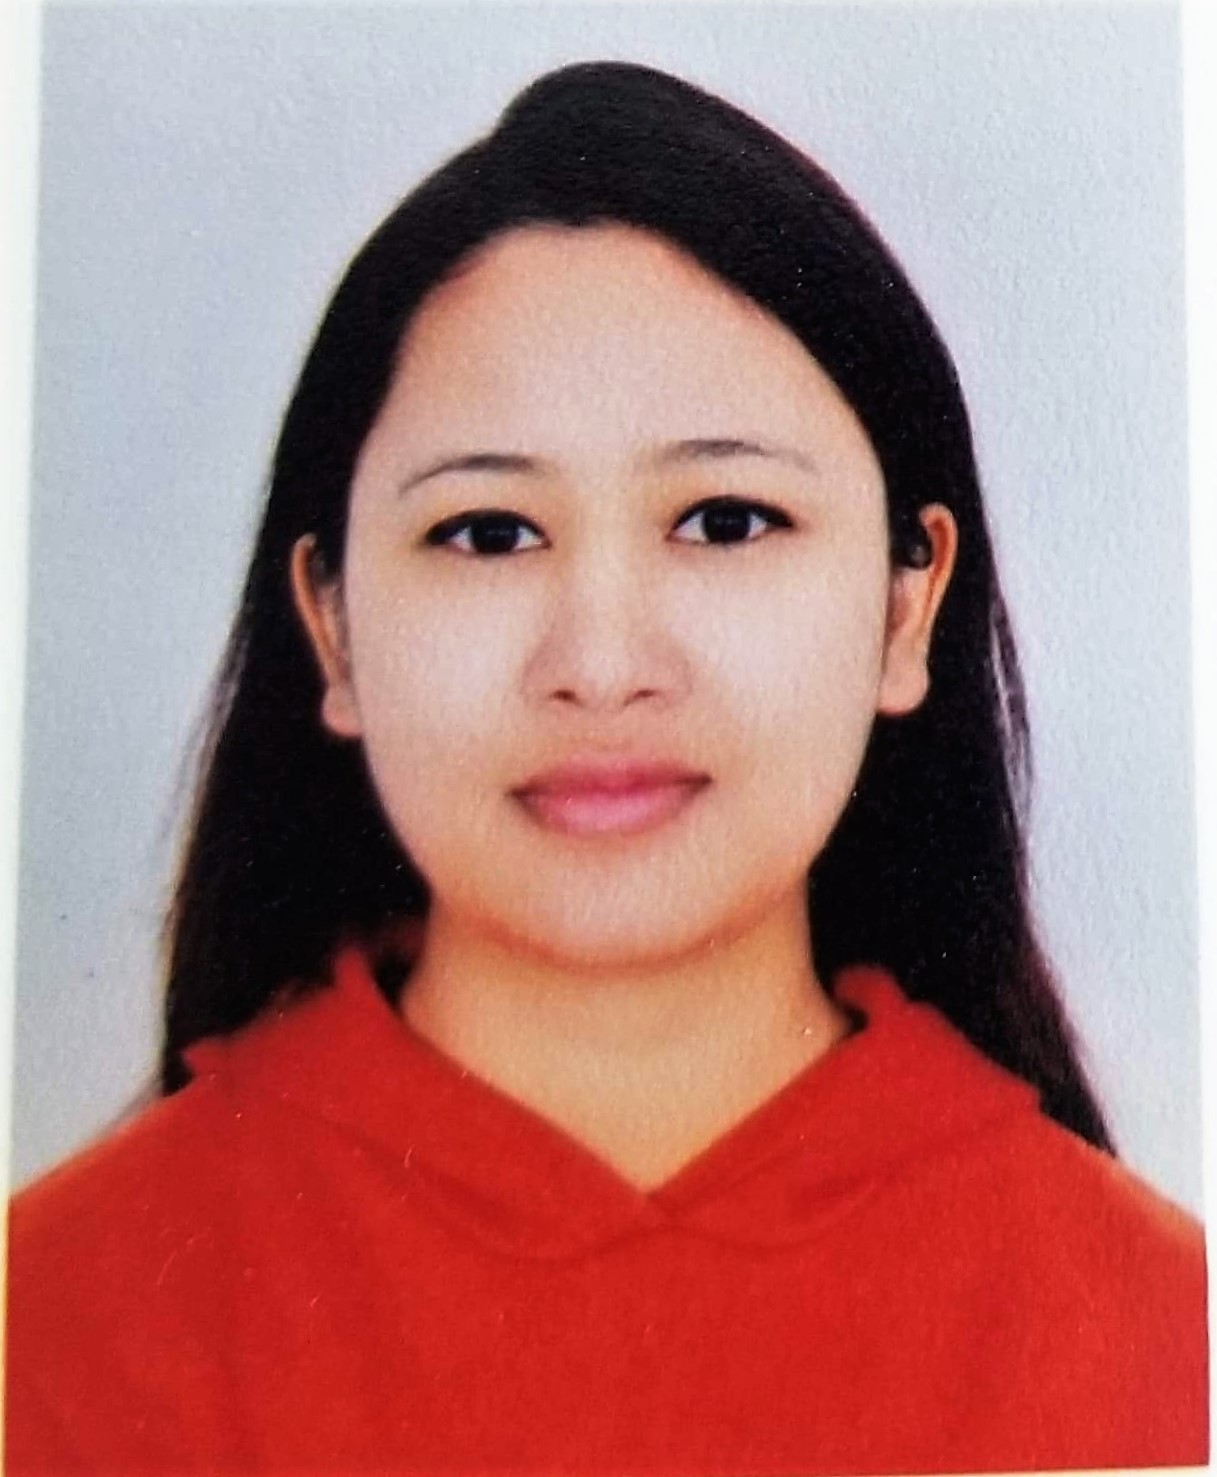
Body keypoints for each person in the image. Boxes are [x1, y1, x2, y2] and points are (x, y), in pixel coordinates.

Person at [5, 60, 1206, 1475]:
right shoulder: (57, 1318)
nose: (600, 661)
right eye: (488, 533)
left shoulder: (1159, 1334)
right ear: (331, 623)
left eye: (725, 519)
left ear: (905, 606)